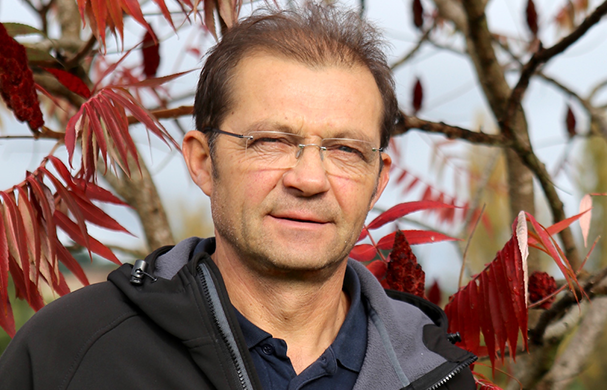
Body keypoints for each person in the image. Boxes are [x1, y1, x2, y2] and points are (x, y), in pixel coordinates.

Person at [0, 4, 477, 390]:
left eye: (345, 149)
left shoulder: (436, 371)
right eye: (271, 141)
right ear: (203, 162)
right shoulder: (71, 353)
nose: (309, 180)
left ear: (379, 178)